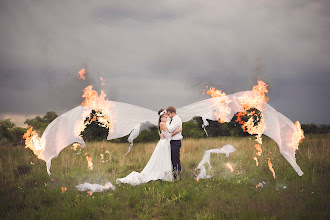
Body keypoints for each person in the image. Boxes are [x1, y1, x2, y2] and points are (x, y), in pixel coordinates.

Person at [116, 109, 182, 185]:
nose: (167, 115)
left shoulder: (165, 123)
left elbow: (166, 133)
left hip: (166, 143)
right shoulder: (163, 123)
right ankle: (163, 175)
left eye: (167, 114)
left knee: (165, 158)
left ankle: (166, 174)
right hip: (164, 143)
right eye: (166, 114)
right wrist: (178, 131)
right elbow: (168, 135)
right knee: (163, 158)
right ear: (163, 115)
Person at [165, 106, 183, 180]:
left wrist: (166, 123)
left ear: (173, 112)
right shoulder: (172, 120)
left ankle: (178, 175)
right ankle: (174, 174)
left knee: (175, 159)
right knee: (172, 159)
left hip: (176, 141)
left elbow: (171, 129)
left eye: (169, 114)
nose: (168, 116)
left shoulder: (177, 119)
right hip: (172, 141)